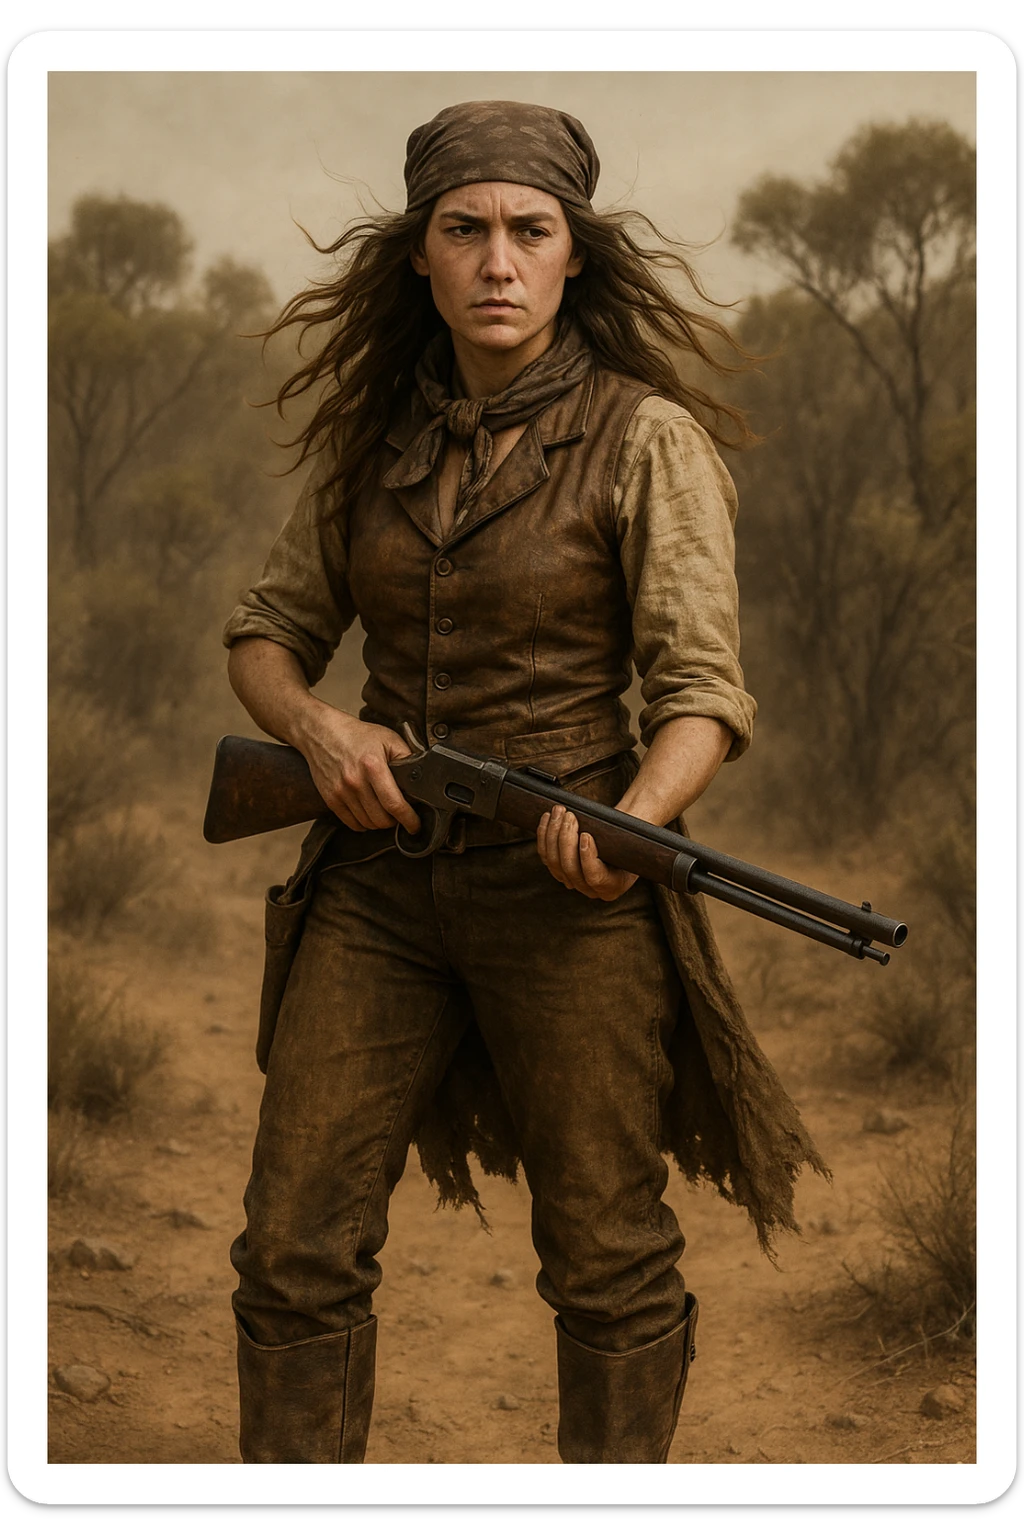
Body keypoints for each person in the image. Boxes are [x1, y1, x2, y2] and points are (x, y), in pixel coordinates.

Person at [222, 100, 826, 1465]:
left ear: (572, 258)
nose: (498, 260)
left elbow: (701, 696)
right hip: (373, 891)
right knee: (294, 1245)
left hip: (575, 897)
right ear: (423, 259)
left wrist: (639, 824)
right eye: (467, 230)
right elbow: (266, 633)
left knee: (610, 1257)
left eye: (529, 232)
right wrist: (319, 733)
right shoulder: (372, 441)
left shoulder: (645, 439)